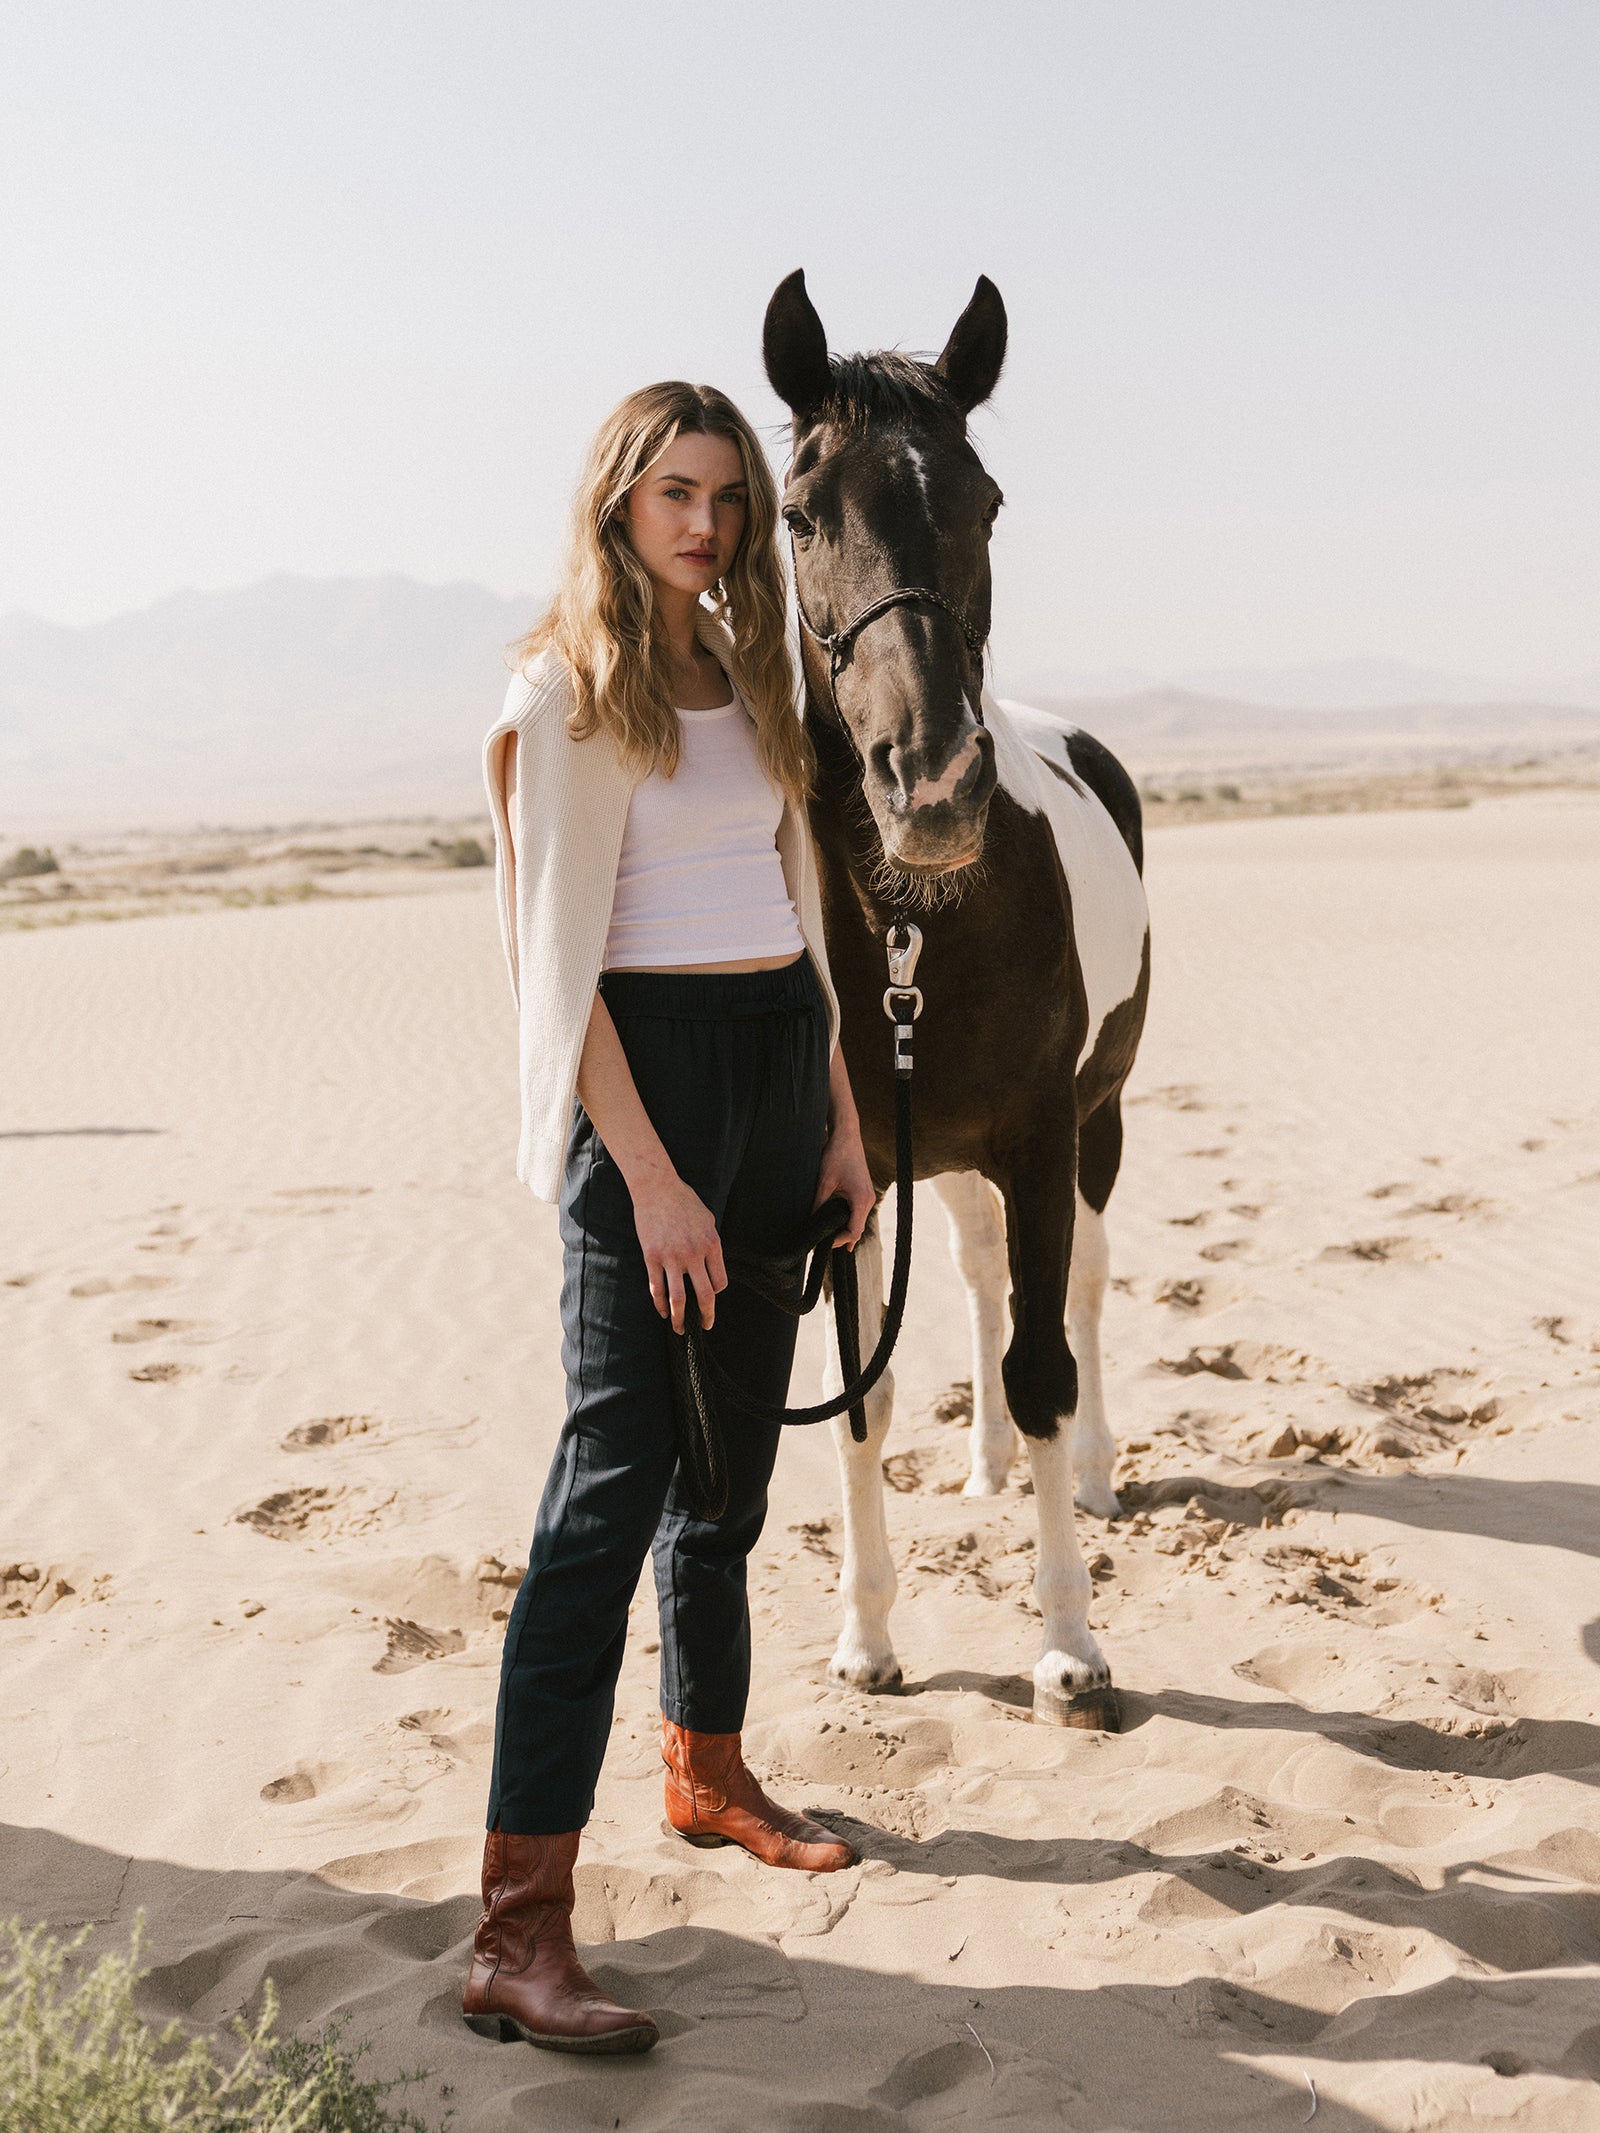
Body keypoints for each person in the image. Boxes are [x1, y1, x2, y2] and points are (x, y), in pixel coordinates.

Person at [464, 381, 877, 2055]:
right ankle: (517, 1928)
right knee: (604, 1490)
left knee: (730, 1472)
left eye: (726, 498)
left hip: (779, 1070)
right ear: (617, 501)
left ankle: (705, 1768)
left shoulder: (752, 675)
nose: (704, 524)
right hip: (642, 1093)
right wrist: (646, 1174)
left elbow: (797, 901)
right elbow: (555, 969)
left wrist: (841, 1117)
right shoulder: (562, 693)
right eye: (673, 493)